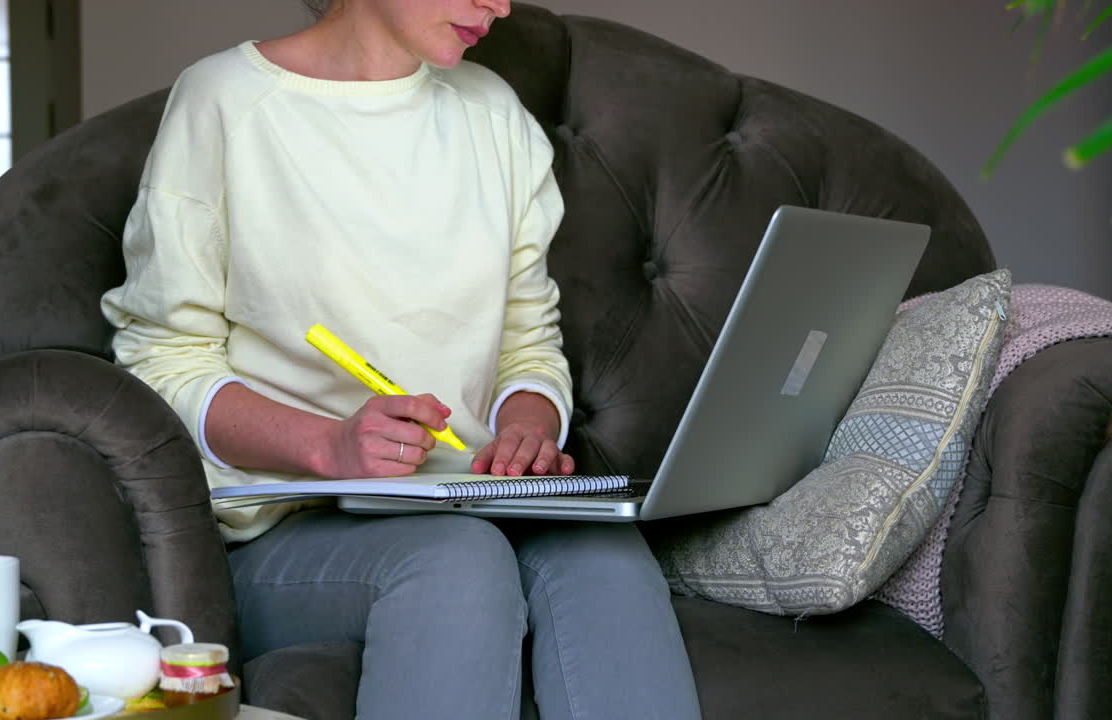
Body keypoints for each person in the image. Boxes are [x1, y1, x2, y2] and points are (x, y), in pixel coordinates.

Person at [101, 0, 703, 718]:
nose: (501, 6)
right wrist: (329, 445)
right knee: (454, 565)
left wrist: (528, 426)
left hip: (476, 502)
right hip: (288, 530)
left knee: (608, 558)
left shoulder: (493, 113)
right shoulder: (223, 102)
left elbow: (528, 342)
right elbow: (162, 363)